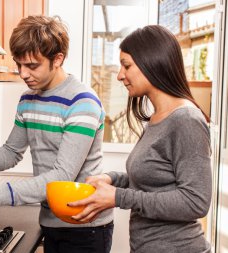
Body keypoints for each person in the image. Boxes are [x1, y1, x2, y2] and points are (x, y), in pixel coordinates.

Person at [0, 15, 114, 253]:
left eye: (32, 65)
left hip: (85, 227)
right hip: (50, 221)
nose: (23, 74)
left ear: (57, 59)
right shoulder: (28, 99)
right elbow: (11, 151)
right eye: (19, 64)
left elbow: (62, 176)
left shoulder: (82, 103)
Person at [69, 25, 212, 253]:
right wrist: (111, 179)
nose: (119, 75)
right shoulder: (157, 118)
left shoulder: (186, 119)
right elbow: (152, 181)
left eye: (126, 65)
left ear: (152, 62)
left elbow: (195, 202)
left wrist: (118, 197)